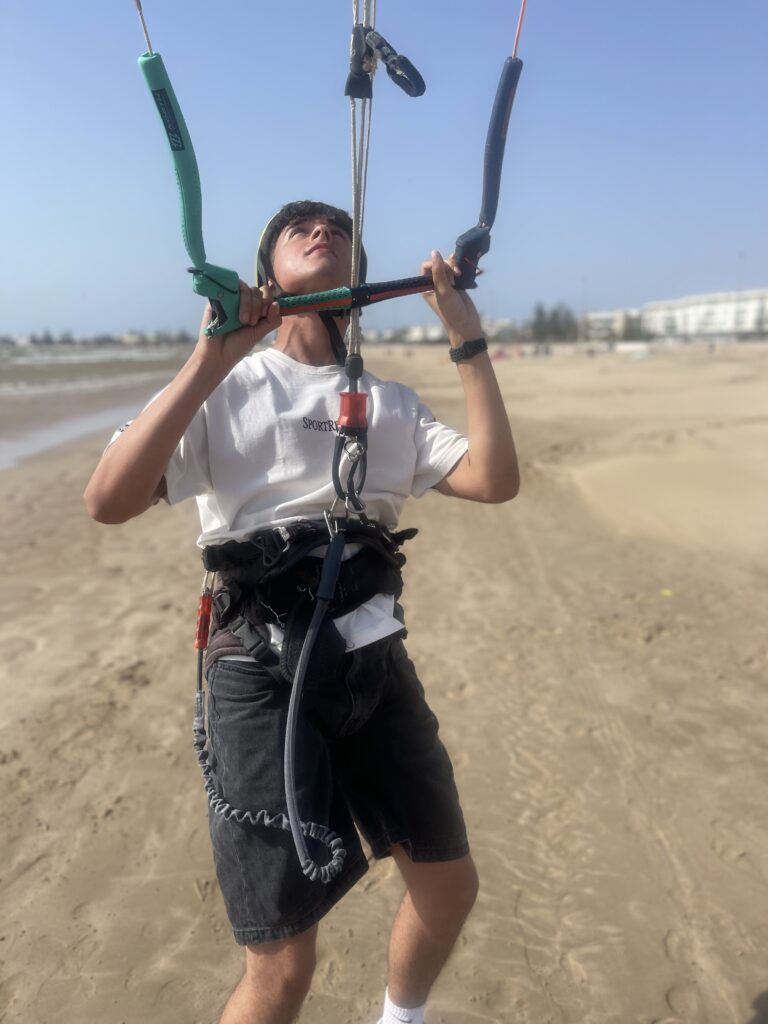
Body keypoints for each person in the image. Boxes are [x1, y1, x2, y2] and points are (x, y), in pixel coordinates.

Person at [84, 200, 519, 1024]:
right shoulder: (228, 385)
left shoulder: (388, 401)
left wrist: (464, 333)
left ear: (358, 276)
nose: (324, 233)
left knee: (448, 882)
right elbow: (109, 499)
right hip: (257, 667)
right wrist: (210, 359)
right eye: (300, 230)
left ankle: (401, 1017)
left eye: (340, 230)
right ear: (264, 271)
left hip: (372, 657)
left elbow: (495, 478)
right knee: (284, 961)